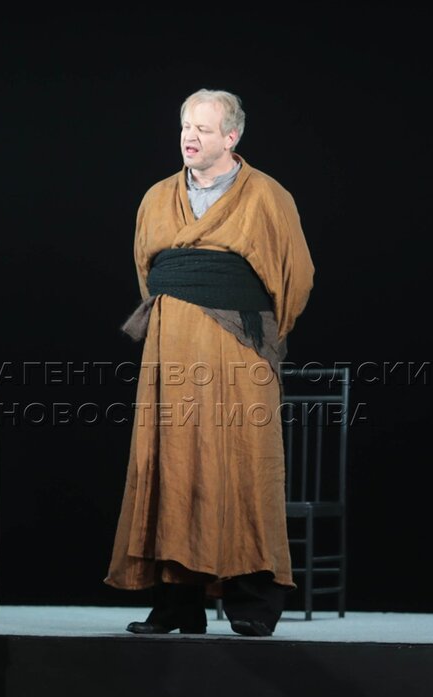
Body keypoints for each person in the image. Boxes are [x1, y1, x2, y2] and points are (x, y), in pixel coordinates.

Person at [105, 88, 315, 637]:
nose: (190, 138)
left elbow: (295, 278)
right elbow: (147, 272)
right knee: (172, 467)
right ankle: (177, 603)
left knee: (244, 463)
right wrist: (179, 317)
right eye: (185, 127)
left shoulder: (267, 196)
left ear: (231, 136)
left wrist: (253, 335)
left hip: (239, 349)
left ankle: (252, 602)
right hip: (170, 350)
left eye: (202, 128)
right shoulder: (157, 197)